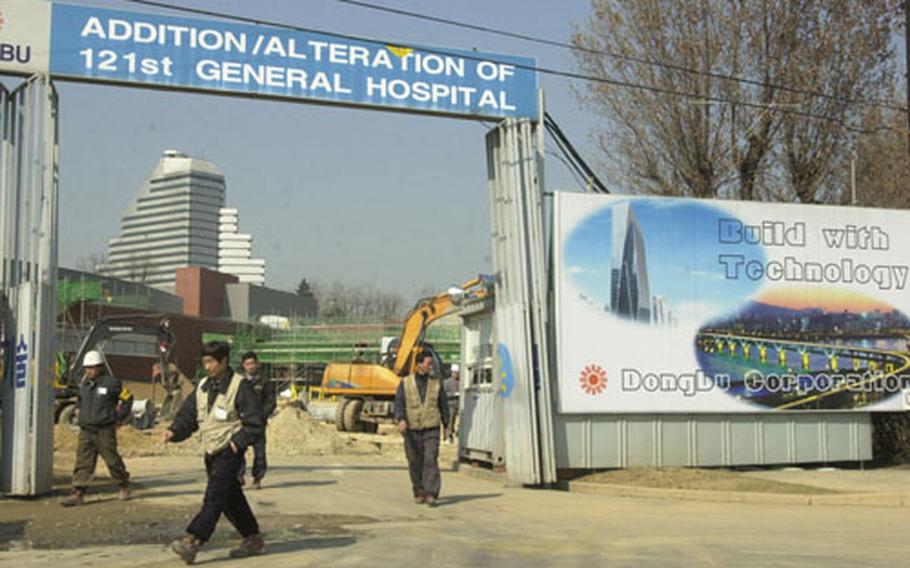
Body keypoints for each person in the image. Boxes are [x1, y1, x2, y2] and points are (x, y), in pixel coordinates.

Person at [163, 341, 266, 564]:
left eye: (211, 362)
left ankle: (193, 541)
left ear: (224, 361)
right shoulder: (203, 387)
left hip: (229, 451)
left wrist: (238, 442)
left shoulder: (241, 387)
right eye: (204, 362)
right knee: (231, 498)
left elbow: (255, 423)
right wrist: (174, 431)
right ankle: (253, 538)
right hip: (210, 450)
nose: (207, 367)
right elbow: (188, 416)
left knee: (214, 497)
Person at [60, 350, 133, 507]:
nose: (88, 371)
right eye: (86, 368)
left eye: (92, 368)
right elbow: (80, 399)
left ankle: (124, 485)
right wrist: (78, 408)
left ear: (100, 367)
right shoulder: (84, 385)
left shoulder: (112, 384)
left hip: (104, 431)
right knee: (83, 463)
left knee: (112, 461)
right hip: (86, 430)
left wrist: (119, 418)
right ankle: (78, 493)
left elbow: (128, 399)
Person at [394, 351, 450, 507]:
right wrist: (401, 419)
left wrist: (446, 425)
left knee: (430, 459)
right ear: (419, 364)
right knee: (414, 461)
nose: (430, 367)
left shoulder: (436, 383)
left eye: (431, 364)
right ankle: (419, 491)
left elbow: (443, 405)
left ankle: (431, 493)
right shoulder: (405, 383)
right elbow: (399, 402)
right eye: (428, 363)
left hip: (431, 428)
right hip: (412, 429)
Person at [238, 351, 275, 489]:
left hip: (259, 424)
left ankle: (257, 478)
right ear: (244, 366)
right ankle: (239, 476)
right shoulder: (239, 382)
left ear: (257, 364)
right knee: (239, 451)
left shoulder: (265, 382)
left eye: (253, 363)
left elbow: (271, 402)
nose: (251, 366)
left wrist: (262, 416)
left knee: (259, 453)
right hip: (242, 424)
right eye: (248, 364)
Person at [443, 364, 461, 444]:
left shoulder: (461, 382)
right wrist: (453, 394)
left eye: (457, 373)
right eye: (454, 373)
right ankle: (449, 436)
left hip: (459, 404)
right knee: (450, 421)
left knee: (460, 421)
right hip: (450, 404)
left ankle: (458, 434)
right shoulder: (446, 382)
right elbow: (444, 394)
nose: (456, 374)